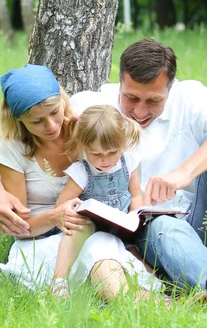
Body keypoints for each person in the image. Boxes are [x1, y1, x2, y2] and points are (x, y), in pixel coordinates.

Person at [0, 39, 207, 299]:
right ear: (119, 84)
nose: (140, 112)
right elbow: (23, 147)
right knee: (162, 225)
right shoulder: (91, 106)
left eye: (153, 101)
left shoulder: (189, 98)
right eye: (131, 99)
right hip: (144, 233)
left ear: (171, 87)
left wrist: (184, 173)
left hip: (196, 222)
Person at [0, 64, 162, 301]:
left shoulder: (82, 126)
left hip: (93, 231)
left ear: (62, 100)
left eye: (54, 112)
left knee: (103, 245)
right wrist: (54, 216)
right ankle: (153, 305)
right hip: (43, 241)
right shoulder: (13, 150)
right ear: (19, 120)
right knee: (97, 247)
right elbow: (20, 227)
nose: (51, 126)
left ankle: (156, 302)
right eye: (37, 122)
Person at [50, 105, 148, 298]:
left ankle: (154, 288)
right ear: (84, 147)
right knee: (77, 231)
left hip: (121, 226)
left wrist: (133, 214)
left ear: (122, 144)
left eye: (112, 152)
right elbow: (61, 205)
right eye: (96, 154)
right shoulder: (81, 171)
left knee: (139, 253)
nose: (105, 160)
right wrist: (72, 212)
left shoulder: (128, 163)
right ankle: (59, 281)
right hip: (91, 226)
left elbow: (136, 195)